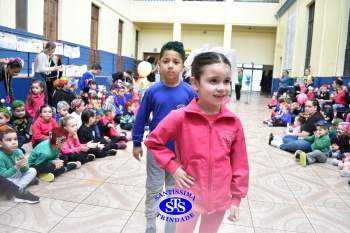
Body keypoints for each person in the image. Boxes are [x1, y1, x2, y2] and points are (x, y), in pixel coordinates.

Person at [144, 52, 249, 233]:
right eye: (213, 81)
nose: (222, 88)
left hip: (219, 199)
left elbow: (240, 163)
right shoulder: (180, 117)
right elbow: (153, 141)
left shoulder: (233, 122)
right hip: (186, 195)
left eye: (226, 81)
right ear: (195, 83)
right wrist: (172, 166)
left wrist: (236, 198)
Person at [131, 41, 197, 233]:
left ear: (183, 67)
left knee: (174, 190)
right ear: (158, 65)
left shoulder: (189, 92)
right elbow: (141, 117)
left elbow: (195, 123)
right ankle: (150, 225)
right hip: (156, 150)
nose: (170, 65)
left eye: (175, 62)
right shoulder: (152, 91)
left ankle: (171, 225)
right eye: (165, 61)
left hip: (179, 152)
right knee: (153, 189)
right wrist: (136, 142)